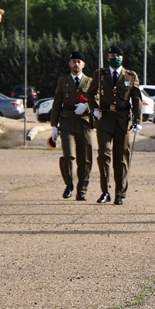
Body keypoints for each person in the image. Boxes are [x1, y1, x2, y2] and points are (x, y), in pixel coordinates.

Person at [88, 45, 143, 206]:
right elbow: (90, 93)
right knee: (104, 155)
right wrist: (94, 109)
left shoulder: (131, 76)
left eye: (118, 56)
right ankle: (105, 191)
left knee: (121, 158)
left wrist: (138, 121)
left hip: (122, 120)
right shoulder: (100, 75)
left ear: (122, 58)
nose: (115, 58)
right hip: (104, 119)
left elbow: (136, 100)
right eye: (112, 55)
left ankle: (120, 192)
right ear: (107, 58)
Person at [49, 51, 94, 200]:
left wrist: (86, 106)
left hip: (84, 122)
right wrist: (54, 125)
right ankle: (69, 184)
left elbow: (97, 101)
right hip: (67, 121)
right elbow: (57, 103)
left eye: (79, 62)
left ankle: (82, 190)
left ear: (84, 64)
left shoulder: (90, 82)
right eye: (74, 61)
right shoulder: (63, 82)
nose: (76, 64)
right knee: (68, 155)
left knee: (85, 157)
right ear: (70, 64)